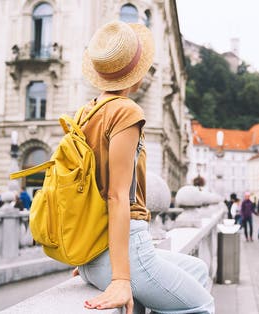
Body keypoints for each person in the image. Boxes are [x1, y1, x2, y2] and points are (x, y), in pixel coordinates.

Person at [73, 21, 213, 313]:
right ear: (134, 74)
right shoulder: (125, 110)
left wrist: (87, 256)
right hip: (124, 252)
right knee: (203, 305)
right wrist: (121, 278)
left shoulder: (86, 112)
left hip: (94, 253)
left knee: (198, 270)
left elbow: (81, 189)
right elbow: (116, 195)